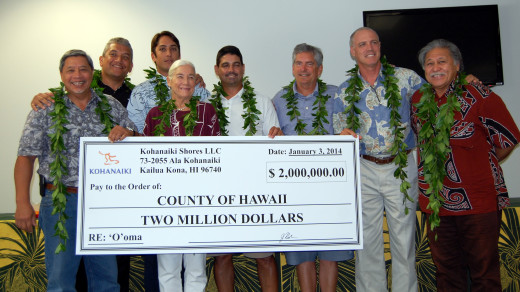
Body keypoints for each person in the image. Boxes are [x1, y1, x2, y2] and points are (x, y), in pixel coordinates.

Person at [14, 49, 137, 291]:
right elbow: (25, 158)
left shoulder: (110, 105)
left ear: (93, 73)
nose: (77, 75)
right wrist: (22, 203)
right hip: (61, 202)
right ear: (61, 75)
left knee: (107, 280)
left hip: (102, 204)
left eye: (83, 69)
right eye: (70, 70)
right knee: (61, 281)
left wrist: (130, 133)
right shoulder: (45, 108)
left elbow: (135, 143)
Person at [411, 39, 520, 292]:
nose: (435, 67)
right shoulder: (417, 100)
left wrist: (481, 163)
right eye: (429, 63)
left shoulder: (480, 96)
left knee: (484, 274)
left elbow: (507, 140)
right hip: (436, 205)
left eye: (442, 61)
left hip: (478, 203)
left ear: (457, 66)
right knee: (447, 274)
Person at [334, 27, 423, 292]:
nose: (369, 47)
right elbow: (339, 131)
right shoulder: (344, 90)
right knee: (368, 241)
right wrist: (343, 135)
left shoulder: (406, 78)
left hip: (401, 166)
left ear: (380, 47)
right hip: (365, 167)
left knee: (403, 238)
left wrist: (467, 79)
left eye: (374, 42)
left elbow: (438, 97)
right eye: (362, 44)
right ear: (353, 52)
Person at [272, 43, 353, 292]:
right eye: (298, 63)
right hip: (294, 188)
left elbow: (347, 129)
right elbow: (273, 140)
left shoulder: (336, 94)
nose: (303, 68)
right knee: (302, 251)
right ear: (292, 67)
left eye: (309, 64)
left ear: (319, 69)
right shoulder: (279, 99)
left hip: (330, 186)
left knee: (330, 252)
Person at [208, 45, 282, 292]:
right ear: (217, 70)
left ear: (243, 69)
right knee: (222, 255)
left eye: (236, 64)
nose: (231, 70)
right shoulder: (205, 104)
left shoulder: (262, 102)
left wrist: (278, 135)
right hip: (217, 191)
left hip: (256, 190)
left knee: (263, 255)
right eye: (226, 65)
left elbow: (275, 144)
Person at [143, 59, 220, 291]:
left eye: (190, 77)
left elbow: (218, 155)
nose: (186, 82)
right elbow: (145, 158)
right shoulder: (155, 114)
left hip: (199, 200)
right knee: (168, 269)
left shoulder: (207, 111)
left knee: (196, 269)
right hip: (164, 201)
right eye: (180, 76)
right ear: (169, 80)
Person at [127, 30, 210, 133]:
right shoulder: (140, 92)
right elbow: (135, 132)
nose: (169, 54)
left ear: (179, 56)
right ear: (153, 56)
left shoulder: (197, 88)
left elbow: (210, 124)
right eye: (162, 49)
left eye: (173, 49)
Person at [31, 37, 135, 110]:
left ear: (131, 66)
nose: (119, 60)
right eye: (113, 54)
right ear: (101, 60)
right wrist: (41, 99)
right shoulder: (80, 87)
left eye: (125, 57)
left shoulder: (138, 96)